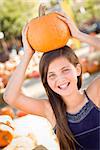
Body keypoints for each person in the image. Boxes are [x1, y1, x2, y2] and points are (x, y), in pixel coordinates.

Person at [3, 13, 100, 150]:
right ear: (46, 81)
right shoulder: (51, 111)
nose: (60, 79)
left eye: (65, 70)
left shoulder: (95, 95)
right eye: (52, 75)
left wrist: (78, 34)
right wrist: (27, 55)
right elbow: (10, 96)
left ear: (78, 69)